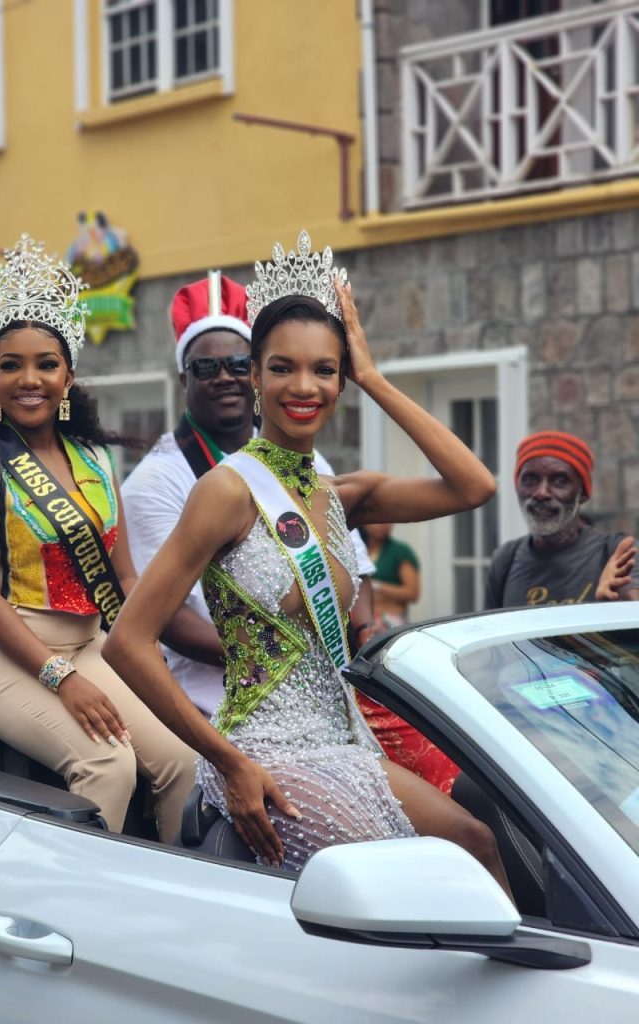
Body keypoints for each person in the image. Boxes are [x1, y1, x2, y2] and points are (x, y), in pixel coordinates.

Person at [104, 231, 509, 890]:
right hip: (261, 748)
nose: (305, 386)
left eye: (325, 369)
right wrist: (227, 761)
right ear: (255, 374)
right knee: (402, 882)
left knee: (476, 842)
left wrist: (374, 376)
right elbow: (129, 643)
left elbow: (474, 486)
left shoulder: (334, 492)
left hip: (342, 739)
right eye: (282, 367)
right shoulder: (226, 491)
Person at [0, 235, 195, 837]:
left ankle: (176, 895)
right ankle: (82, 908)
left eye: (46, 363)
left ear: (68, 373)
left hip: (88, 645)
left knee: (182, 760)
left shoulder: (95, 461)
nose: (29, 378)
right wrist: (60, 678)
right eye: (10, 364)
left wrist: (147, 656)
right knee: (108, 763)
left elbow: (123, 579)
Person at [122, 270, 376, 717]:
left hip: (331, 695)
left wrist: (367, 632)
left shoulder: (309, 463)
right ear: (183, 380)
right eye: (205, 366)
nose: (224, 377)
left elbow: (357, 572)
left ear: (255, 375)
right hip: (215, 704)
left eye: (238, 364)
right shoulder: (156, 480)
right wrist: (283, 660)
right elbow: (168, 618)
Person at [355, 521, 459, 794]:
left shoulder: (400, 551)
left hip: (386, 624)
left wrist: (379, 588)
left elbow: (412, 592)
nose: (382, 525)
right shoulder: (359, 547)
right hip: (362, 629)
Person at [485, 431, 639, 609]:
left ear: (582, 493)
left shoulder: (618, 554)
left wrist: (618, 604)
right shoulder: (505, 559)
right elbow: (491, 630)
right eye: (530, 479)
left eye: (560, 480)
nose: (541, 493)